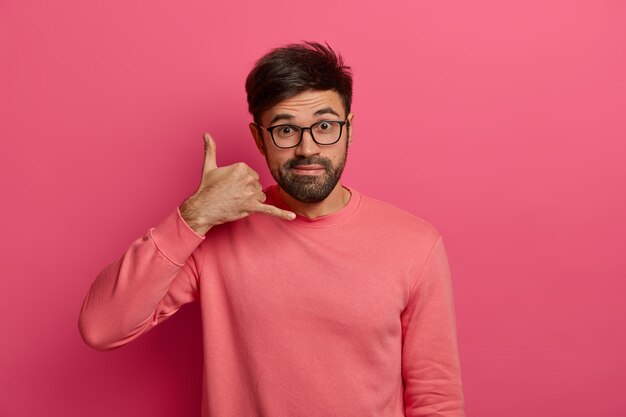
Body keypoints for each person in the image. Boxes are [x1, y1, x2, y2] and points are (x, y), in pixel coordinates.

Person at [79, 41, 465, 417]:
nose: (308, 148)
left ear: (349, 129)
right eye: (285, 130)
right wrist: (194, 216)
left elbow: (437, 398)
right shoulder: (217, 233)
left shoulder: (414, 243)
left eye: (325, 125)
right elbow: (102, 328)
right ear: (259, 140)